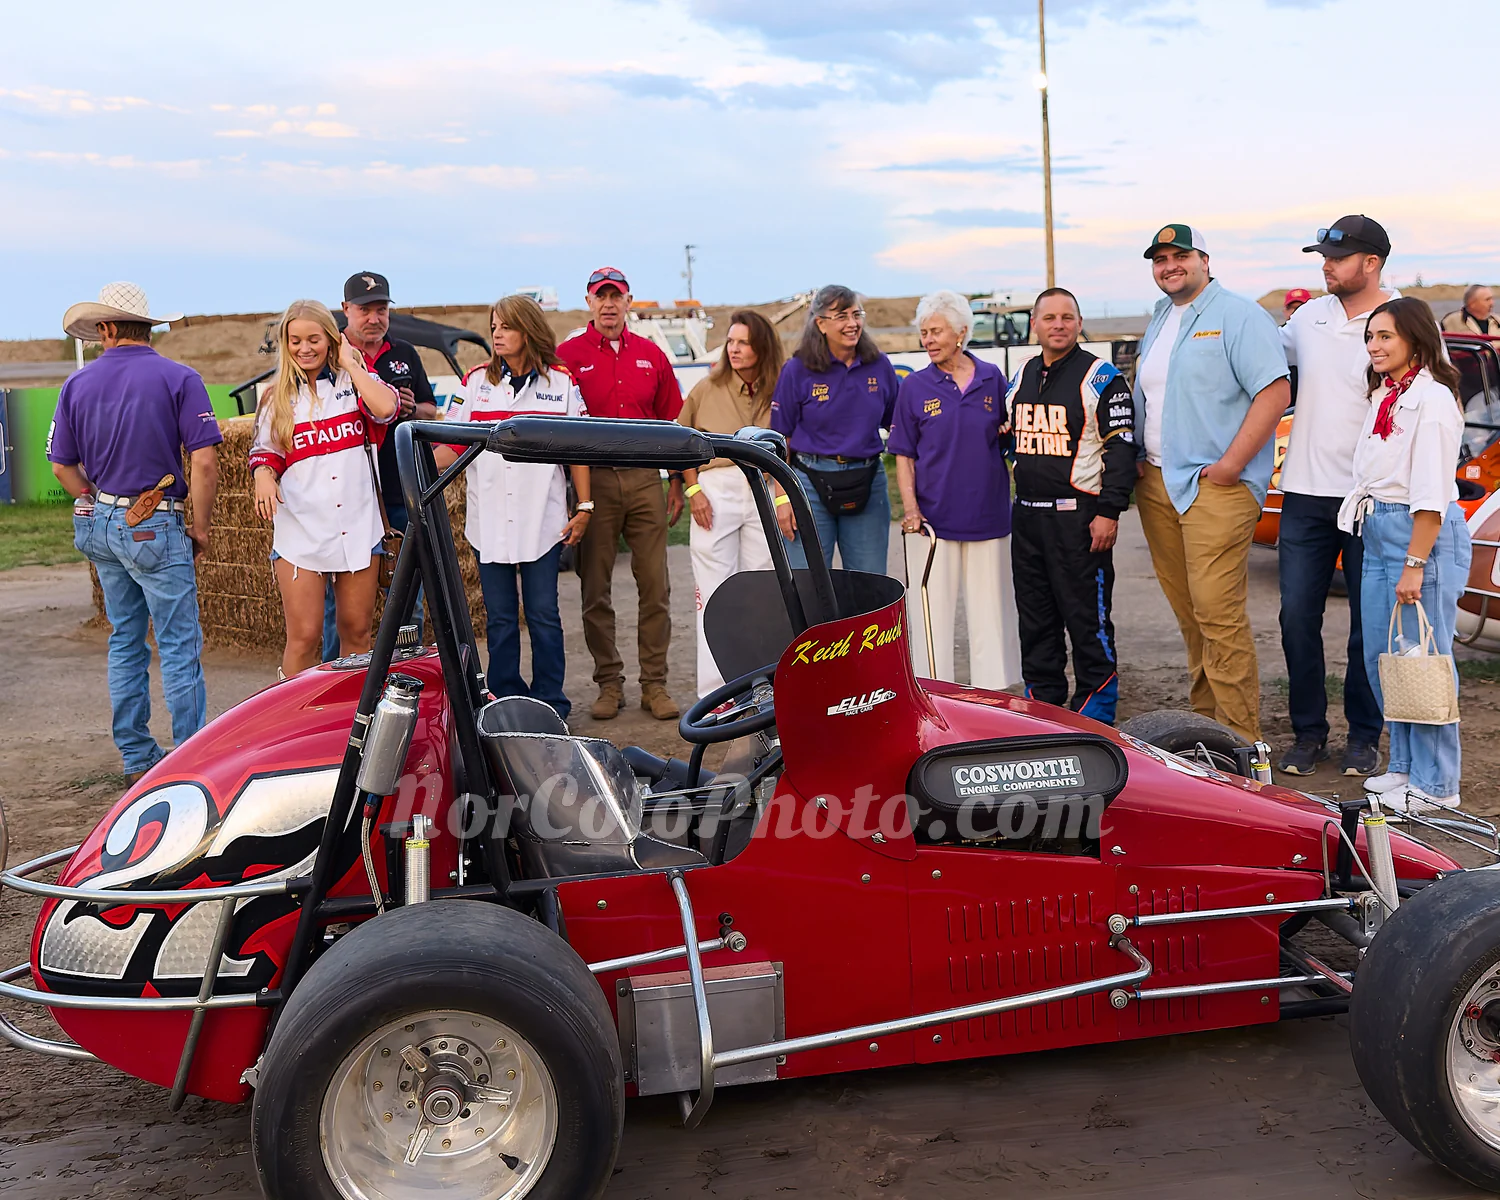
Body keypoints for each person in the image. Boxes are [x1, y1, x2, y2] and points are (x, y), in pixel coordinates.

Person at [48, 282, 221, 781]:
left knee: (126, 638)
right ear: (148, 327)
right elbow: (205, 462)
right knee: (178, 644)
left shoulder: (76, 385)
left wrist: (98, 500)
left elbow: (62, 468)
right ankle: (190, 762)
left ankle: (136, 757)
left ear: (105, 328)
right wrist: (200, 527)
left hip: (103, 521)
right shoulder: (180, 377)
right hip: (157, 521)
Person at [1131, 224, 1291, 743]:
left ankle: (1242, 747)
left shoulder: (1239, 315)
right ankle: (1206, 739)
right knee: (1190, 616)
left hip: (1215, 487)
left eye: (1180, 256)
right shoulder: (1161, 317)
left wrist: (1230, 465)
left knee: (1217, 615)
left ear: (1204, 260)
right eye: (1160, 259)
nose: (1170, 266)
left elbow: (1274, 392)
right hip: (1158, 483)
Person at [1275, 216, 1399, 776]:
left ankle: (1364, 736)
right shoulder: (1307, 317)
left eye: (1338, 257)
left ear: (1371, 263)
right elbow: (1260, 366)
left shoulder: (1404, 318)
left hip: (1373, 497)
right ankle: (1308, 733)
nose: (1326, 265)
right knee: (1296, 618)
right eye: (1323, 255)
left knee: (1368, 625)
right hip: (1304, 493)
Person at [1339, 298, 1471, 812]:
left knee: (1422, 658)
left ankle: (1437, 784)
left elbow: (1432, 492)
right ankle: (1406, 766)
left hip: (1418, 532)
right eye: (1370, 336)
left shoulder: (1432, 399)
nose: (1373, 345)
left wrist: (1415, 563)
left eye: (1385, 336)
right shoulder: (1386, 394)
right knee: (1385, 656)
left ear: (1415, 340)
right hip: (1377, 528)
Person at [436, 295, 591, 719]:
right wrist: (411, 465)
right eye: (494, 327)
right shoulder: (475, 383)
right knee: (500, 618)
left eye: (506, 327)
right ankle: (504, 699)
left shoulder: (561, 382)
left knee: (543, 615)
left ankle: (551, 703)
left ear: (529, 330)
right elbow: (451, 444)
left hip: (543, 520)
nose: (497, 335)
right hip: (488, 521)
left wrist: (585, 506)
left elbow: (578, 448)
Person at [556, 267, 684, 721]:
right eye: (601, 296)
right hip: (596, 483)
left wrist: (677, 480)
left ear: (629, 301)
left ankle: (655, 684)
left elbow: (672, 422)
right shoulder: (567, 356)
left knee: (656, 587)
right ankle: (609, 683)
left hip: (646, 479)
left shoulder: (652, 354)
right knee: (595, 589)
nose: (609, 304)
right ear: (589, 302)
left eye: (617, 296)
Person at [1004, 287, 1136, 722]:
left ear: (1079, 323)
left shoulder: (1102, 378)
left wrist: (1109, 512)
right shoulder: (1022, 374)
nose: (1058, 325)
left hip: (1078, 519)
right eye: (1049, 317)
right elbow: (1007, 436)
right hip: (1027, 517)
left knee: (1086, 622)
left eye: (1067, 317)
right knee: (1035, 621)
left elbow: (1122, 451)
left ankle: (1096, 715)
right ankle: (1043, 710)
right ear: (1034, 325)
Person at [249, 300, 398, 679]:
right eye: (295, 340)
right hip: (300, 529)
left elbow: (386, 408)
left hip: (358, 526)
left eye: (314, 339)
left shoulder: (355, 382)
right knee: (304, 637)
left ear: (331, 339)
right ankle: (295, 713)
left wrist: (351, 363)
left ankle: (354, 711)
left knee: (357, 632)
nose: (304, 348)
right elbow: (264, 452)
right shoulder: (275, 397)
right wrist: (263, 475)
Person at [889, 290, 1020, 688]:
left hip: (988, 515)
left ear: (961, 332)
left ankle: (994, 696)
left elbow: (1008, 436)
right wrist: (911, 509)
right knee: (931, 615)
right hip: (932, 521)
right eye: (924, 332)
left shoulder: (991, 378)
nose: (927, 340)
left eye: (936, 331)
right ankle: (933, 693)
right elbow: (904, 455)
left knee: (992, 614)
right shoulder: (914, 386)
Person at [320, 271, 438, 660]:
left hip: (400, 491)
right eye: (365, 310)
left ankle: (406, 678)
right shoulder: (326, 355)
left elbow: (430, 409)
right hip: (347, 498)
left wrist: (410, 408)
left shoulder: (404, 352)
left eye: (381, 309)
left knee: (407, 599)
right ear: (345, 309)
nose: (374, 318)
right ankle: (337, 681)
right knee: (339, 608)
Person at [677, 310, 781, 695]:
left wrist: (781, 497)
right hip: (716, 486)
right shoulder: (707, 387)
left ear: (762, 348)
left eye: (743, 343)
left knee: (761, 591)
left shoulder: (778, 389)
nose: (734, 349)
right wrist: (693, 491)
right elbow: (681, 443)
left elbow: (788, 446)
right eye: (731, 341)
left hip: (762, 487)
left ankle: (760, 687)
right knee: (714, 593)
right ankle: (715, 693)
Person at [769, 285, 898, 575]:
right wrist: (782, 497)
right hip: (809, 483)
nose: (852, 323)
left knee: (868, 582)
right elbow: (780, 440)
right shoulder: (797, 369)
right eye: (841, 316)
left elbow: (898, 424)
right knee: (809, 583)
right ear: (821, 323)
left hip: (867, 479)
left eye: (856, 314)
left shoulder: (879, 365)